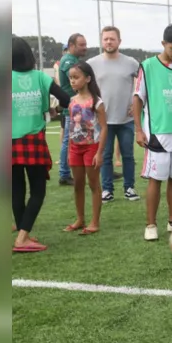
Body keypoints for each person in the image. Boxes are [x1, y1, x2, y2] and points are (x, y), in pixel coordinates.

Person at [134, 24, 172, 241]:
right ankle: (150, 225)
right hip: (157, 132)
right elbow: (137, 98)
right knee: (155, 179)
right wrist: (139, 130)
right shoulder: (147, 66)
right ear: (163, 44)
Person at [12, 37, 71, 252]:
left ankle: (22, 233)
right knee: (38, 191)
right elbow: (66, 99)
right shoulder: (39, 77)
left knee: (16, 191)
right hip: (33, 140)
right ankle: (22, 238)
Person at [87, 26, 140, 203]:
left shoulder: (131, 63)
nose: (108, 42)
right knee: (106, 155)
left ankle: (129, 188)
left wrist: (137, 103)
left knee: (128, 155)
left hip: (126, 119)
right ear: (102, 41)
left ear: (119, 41)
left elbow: (143, 85)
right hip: (103, 120)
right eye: (105, 39)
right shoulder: (92, 64)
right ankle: (107, 190)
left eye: (112, 39)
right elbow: (86, 88)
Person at [63, 62, 108, 235]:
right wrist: (67, 150)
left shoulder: (97, 102)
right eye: (71, 78)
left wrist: (99, 152)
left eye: (76, 77)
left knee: (93, 184)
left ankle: (94, 221)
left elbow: (104, 127)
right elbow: (70, 128)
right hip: (75, 148)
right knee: (77, 185)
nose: (72, 81)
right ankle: (80, 219)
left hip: (91, 147)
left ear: (88, 79)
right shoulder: (72, 101)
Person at [58, 33, 88, 186]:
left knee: (78, 138)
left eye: (85, 44)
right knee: (69, 141)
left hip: (75, 105)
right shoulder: (69, 60)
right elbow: (77, 77)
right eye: (81, 45)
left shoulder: (74, 60)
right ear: (71, 46)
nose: (85, 47)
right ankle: (64, 173)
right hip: (72, 106)